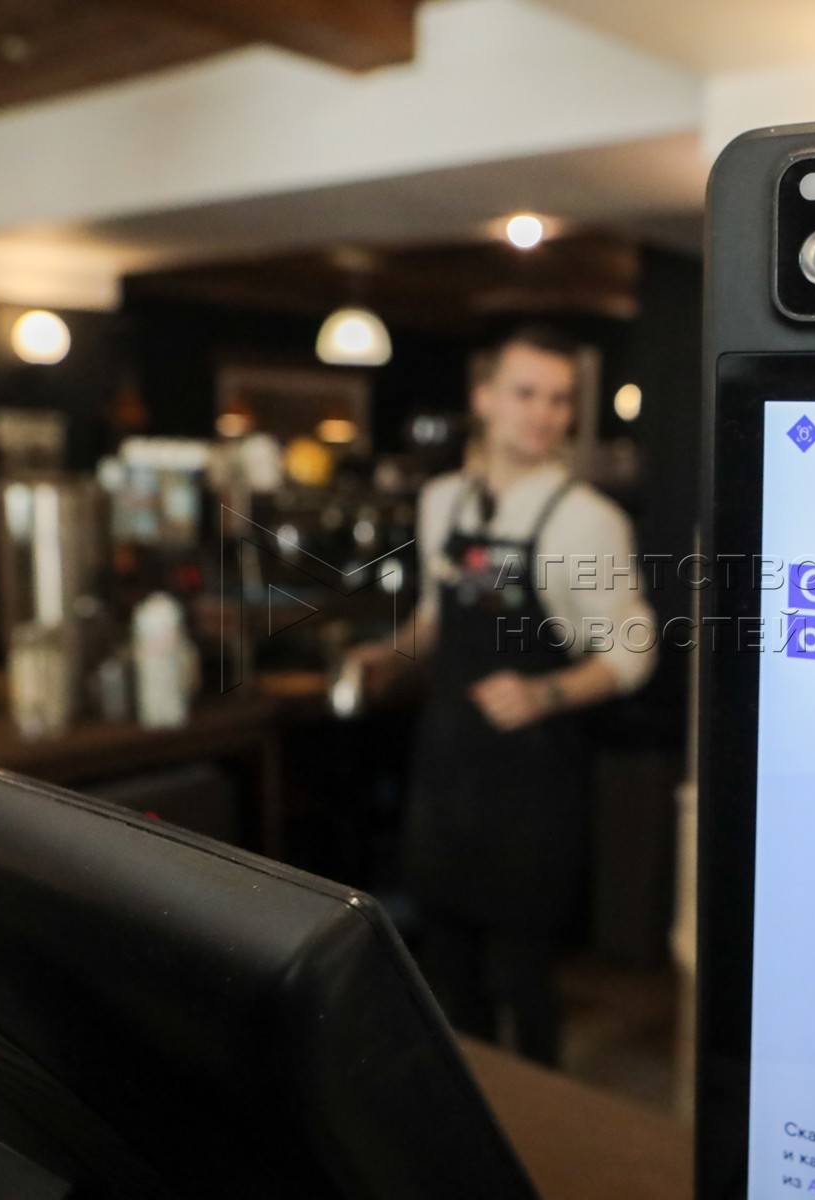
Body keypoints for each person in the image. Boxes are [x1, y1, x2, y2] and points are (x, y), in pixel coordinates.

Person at [347, 324, 656, 1064]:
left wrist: (546, 693)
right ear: (484, 398)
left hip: (531, 783)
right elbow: (437, 612)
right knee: (448, 976)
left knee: (524, 981)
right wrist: (389, 654)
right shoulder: (442, 501)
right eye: (526, 394)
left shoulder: (589, 520)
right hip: (446, 769)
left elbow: (634, 649)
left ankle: (537, 1119)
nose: (543, 414)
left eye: (559, 399)